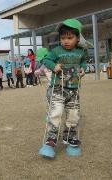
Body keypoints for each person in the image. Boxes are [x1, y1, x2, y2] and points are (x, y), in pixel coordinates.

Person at [43, 19, 87, 149]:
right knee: (56, 112)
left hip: (74, 90)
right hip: (58, 88)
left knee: (74, 114)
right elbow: (46, 59)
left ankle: (69, 136)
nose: (66, 41)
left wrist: (83, 68)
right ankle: (51, 137)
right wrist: (53, 66)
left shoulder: (81, 52)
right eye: (63, 38)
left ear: (78, 38)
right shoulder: (56, 51)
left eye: (70, 37)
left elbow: (83, 62)